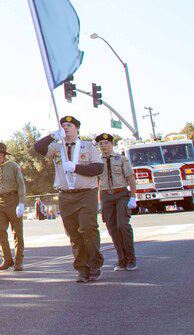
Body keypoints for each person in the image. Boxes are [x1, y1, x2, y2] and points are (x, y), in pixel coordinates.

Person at [34, 116, 105, 283]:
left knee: (88, 228)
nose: (65, 128)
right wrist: (52, 136)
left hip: (86, 192)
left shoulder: (88, 146)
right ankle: (82, 268)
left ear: (77, 129)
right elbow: (38, 147)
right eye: (63, 125)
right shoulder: (56, 148)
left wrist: (76, 167)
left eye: (69, 125)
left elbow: (98, 168)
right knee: (73, 232)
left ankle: (95, 264)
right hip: (66, 195)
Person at [96, 133, 138, 271]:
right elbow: (96, 182)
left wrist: (133, 197)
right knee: (112, 228)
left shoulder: (121, 159)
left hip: (121, 195)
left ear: (111, 144)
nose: (103, 145)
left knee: (123, 225)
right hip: (106, 196)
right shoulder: (97, 161)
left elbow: (131, 179)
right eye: (101, 143)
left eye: (106, 143)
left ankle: (131, 258)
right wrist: (98, 202)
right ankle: (121, 260)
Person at [0, 142, 26, 271]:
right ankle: (7, 259)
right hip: (0, 202)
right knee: (0, 229)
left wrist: (21, 202)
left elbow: (21, 184)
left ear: (2, 154)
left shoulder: (13, 166)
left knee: (17, 232)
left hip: (13, 199)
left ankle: (18, 261)